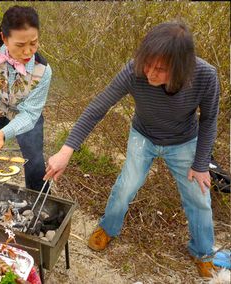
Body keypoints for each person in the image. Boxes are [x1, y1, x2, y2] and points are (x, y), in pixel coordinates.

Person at [44, 21, 220, 278]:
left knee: (199, 196)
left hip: (183, 141)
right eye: (147, 63)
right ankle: (108, 228)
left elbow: (209, 119)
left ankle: (202, 251)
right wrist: (66, 150)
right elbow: (98, 107)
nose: (149, 73)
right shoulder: (135, 70)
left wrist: (201, 163)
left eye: (160, 69)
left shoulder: (205, 75)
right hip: (143, 136)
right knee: (127, 185)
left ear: (182, 67)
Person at [0, 5, 52, 209]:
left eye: (34, 43)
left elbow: (31, 113)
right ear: (4, 39)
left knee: (34, 160)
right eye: (21, 45)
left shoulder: (43, 71)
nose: (28, 51)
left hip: (24, 114)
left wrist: (5, 133)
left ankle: (40, 208)